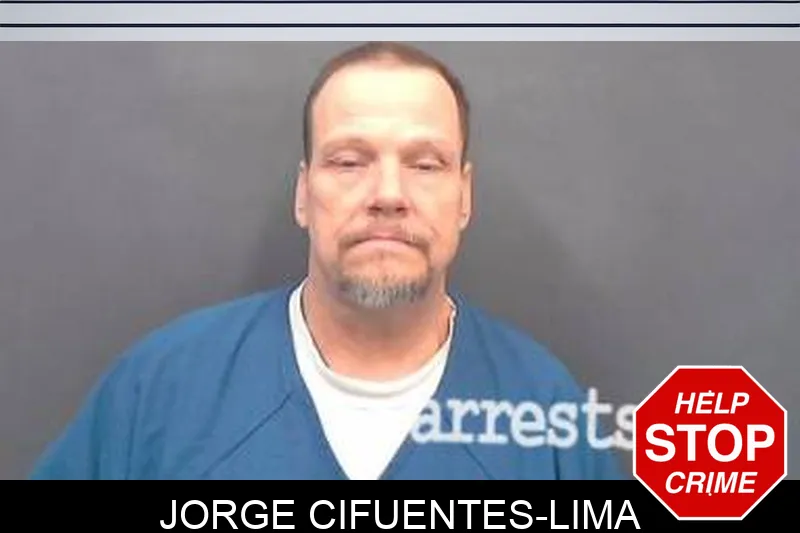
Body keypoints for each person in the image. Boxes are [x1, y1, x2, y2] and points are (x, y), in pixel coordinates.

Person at [30, 42, 624, 480]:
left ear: (464, 197)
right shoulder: (162, 390)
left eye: (424, 164)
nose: (388, 194)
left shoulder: (546, 414)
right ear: (303, 193)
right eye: (348, 161)